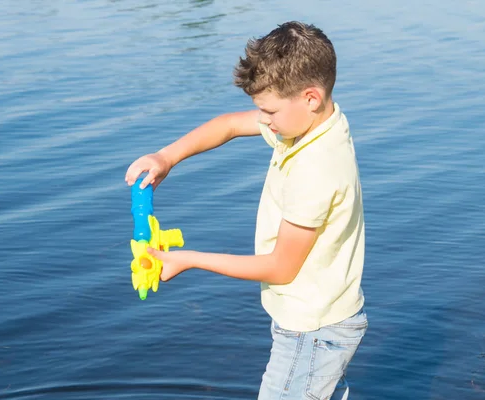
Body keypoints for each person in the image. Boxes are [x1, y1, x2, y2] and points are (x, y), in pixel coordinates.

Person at [125, 21, 368, 400]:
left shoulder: (316, 168)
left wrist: (188, 259)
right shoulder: (311, 124)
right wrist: (166, 157)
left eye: (268, 112)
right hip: (321, 320)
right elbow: (230, 125)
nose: (263, 120)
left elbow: (280, 267)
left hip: (312, 331)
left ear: (310, 97)